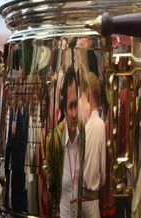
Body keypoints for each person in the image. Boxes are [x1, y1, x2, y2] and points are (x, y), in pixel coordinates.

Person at [45, 66, 85, 217]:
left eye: (76, 105)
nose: (74, 114)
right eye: (70, 107)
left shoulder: (83, 133)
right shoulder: (54, 141)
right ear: (63, 107)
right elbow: (51, 189)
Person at [82, 72, 106, 217]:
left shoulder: (83, 125)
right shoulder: (100, 125)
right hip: (92, 200)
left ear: (89, 97)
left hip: (78, 198)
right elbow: (102, 169)